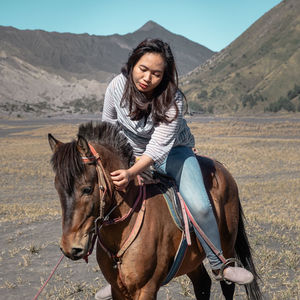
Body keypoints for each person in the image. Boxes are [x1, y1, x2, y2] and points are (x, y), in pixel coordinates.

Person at [95, 39, 253, 300]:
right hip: (129, 153)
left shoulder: (172, 99)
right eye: (143, 69)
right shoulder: (116, 87)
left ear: (165, 75)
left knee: (201, 205)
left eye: (156, 74)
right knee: (104, 198)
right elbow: (108, 126)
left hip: (173, 153)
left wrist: (134, 172)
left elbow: (158, 148)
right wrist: (119, 161)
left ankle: (219, 263)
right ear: (132, 64)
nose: (147, 78)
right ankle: (117, 274)